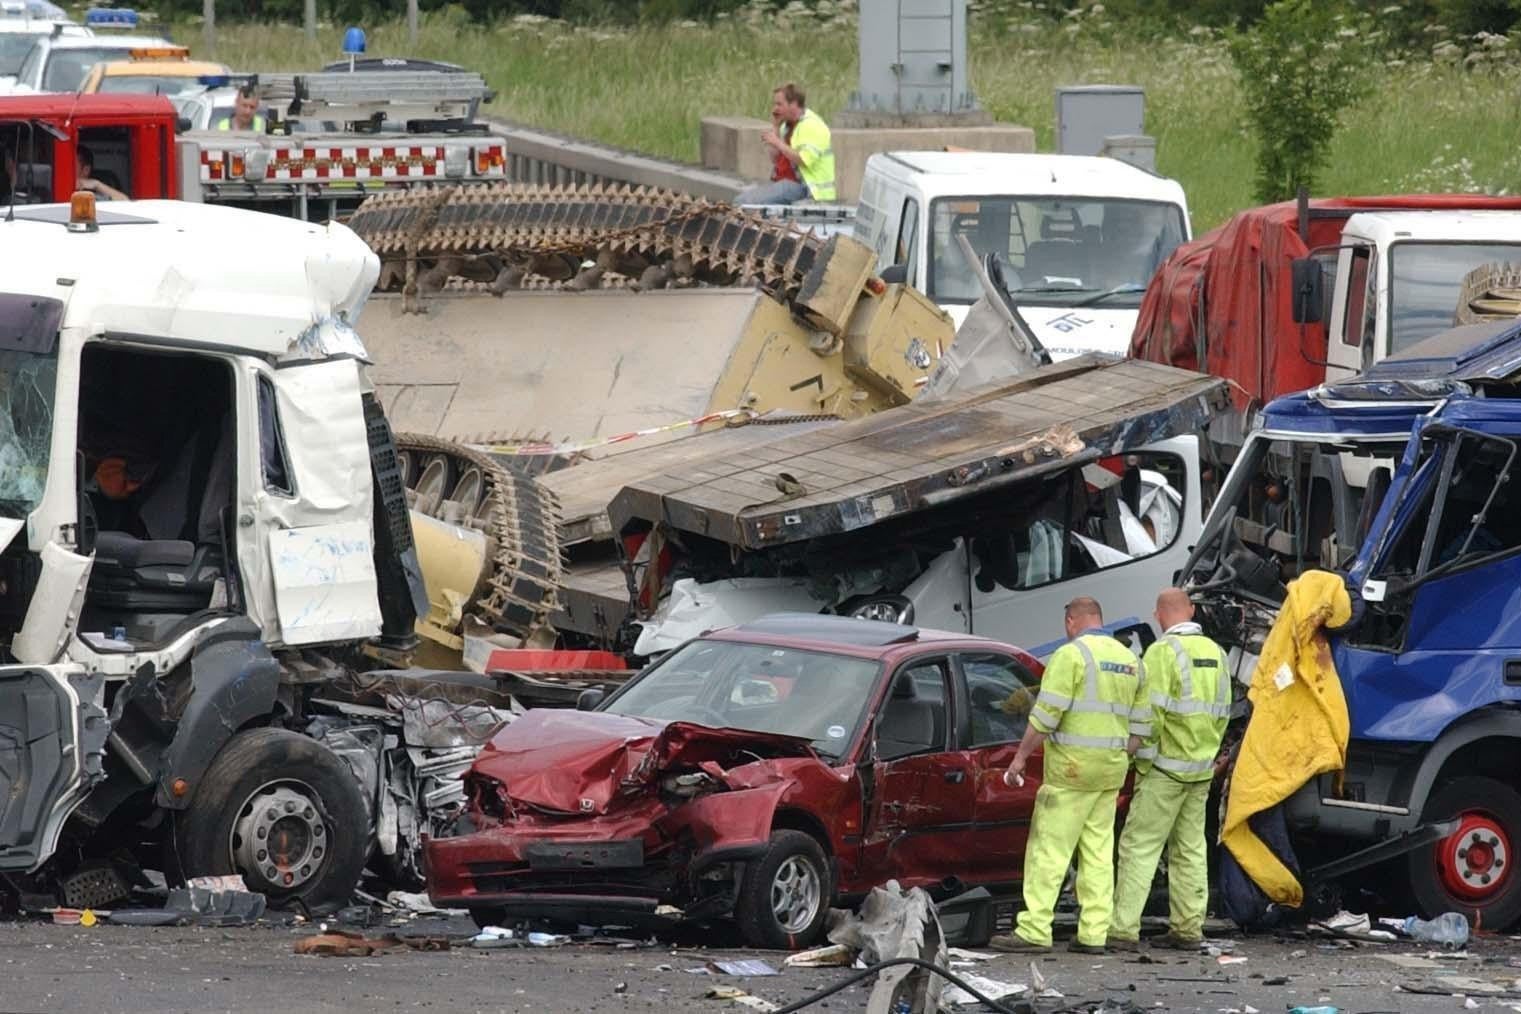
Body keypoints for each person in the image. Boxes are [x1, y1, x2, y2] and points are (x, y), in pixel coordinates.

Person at [991, 597, 1146, 955]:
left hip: (1071, 770)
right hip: (1110, 770)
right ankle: (1093, 933)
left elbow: (1046, 715)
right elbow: (1141, 724)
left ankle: (1034, 929)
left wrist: (1019, 759)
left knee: (1049, 849)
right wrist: (1120, 755)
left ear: (1072, 621)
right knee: (1097, 852)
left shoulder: (1070, 656)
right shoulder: (1130, 660)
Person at [1109, 588, 1232, 951]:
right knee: (1191, 849)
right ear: (1191, 611)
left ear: (1159, 615)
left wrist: (1136, 759)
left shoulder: (1162, 653)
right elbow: (1225, 711)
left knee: (1139, 846)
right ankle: (1188, 929)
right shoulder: (1217, 653)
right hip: (1200, 771)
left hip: (1164, 771)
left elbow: (1149, 718)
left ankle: (1123, 930)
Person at [733, 82, 835, 206]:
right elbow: (775, 159)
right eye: (774, 104)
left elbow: (804, 159)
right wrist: (775, 127)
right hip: (786, 183)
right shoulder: (787, 125)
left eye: (779, 104)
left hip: (807, 189)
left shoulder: (812, 125)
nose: (775, 109)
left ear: (793, 105)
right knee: (742, 200)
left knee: (743, 202)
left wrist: (777, 142)